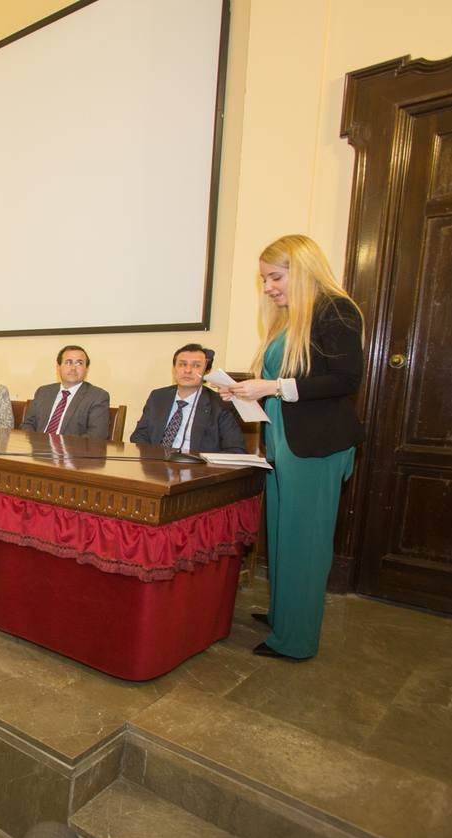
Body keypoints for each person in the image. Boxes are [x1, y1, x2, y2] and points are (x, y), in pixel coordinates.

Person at [219, 234, 364, 660]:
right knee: (283, 535)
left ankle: (296, 640)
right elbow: (285, 383)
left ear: (302, 269)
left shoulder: (335, 309)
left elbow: (345, 379)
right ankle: (286, 613)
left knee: (306, 541)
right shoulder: (288, 319)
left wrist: (273, 386)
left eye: (275, 277)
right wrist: (247, 391)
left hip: (316, 447)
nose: (268, 288)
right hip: (285, 443)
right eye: (264, 280)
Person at [129, 343, 246, 453]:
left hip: (198, 470)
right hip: (157, 467)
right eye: (182, 364)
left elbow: (235, 449)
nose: (188, 370)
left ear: (207, 371)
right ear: (174, 369)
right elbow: (139, 436)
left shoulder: (221, 404)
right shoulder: (158, 397)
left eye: (196, 366)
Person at [20, 345, 111, 438]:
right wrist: (36, 443)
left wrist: (60, 449)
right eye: (68, 362)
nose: (73, 368)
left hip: (73, 451)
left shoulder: (97, 397)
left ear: (86, 369)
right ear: (58, 367)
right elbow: (27, 424)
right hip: (38, 449)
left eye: (79, 363)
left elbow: (96, 436)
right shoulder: (43, 392)